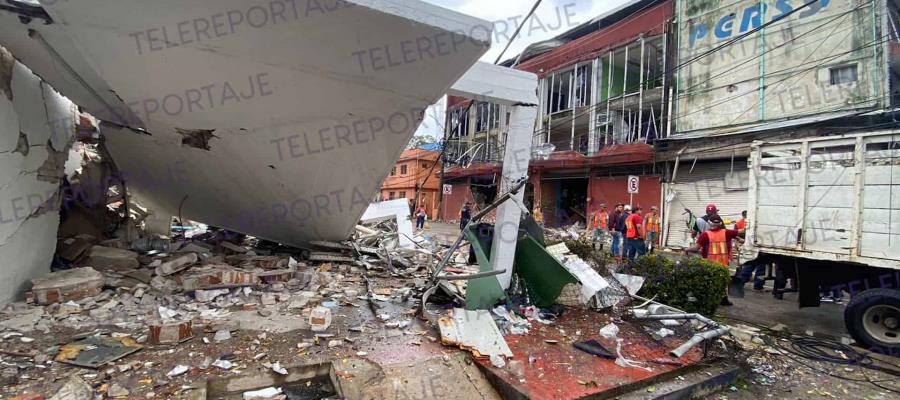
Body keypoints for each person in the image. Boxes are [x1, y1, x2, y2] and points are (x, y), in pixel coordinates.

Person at [686, 215, 743, 305]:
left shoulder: (705, 235)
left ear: (709, 223)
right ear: (720, 224)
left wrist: (687, 249)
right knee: (723, 282)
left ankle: (708, 300)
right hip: (723, 263)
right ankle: (723, 300)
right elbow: (741, 231)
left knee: (709, 281)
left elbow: (696, 248)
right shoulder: (727, 232)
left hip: (709, 264)